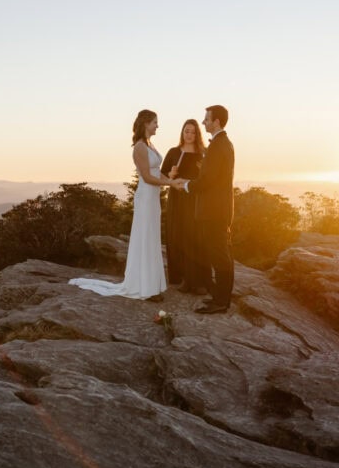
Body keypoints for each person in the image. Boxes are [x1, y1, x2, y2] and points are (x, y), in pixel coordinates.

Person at [69, 109, 180, 300]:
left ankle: (152, 284)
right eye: (155, 122)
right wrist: (169, 183)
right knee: (145, 237)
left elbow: (156, 173)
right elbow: (146, 177)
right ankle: (144, 287)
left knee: (152, 237)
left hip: (153, 197)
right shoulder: (139, 147)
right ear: (146, 123)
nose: (157, 126)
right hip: (146, 196)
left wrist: (172, 181)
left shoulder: (150, 144)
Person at [176, 105, 234, 314]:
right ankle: (219, 298)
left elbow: (208, 180)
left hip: (214, 211)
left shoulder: (220, 145)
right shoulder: (220, 144)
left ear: (216, 121)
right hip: (215, 209)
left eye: (207, 119)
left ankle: (221, 302)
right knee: (218, 254)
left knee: (220, 256)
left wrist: (186, 185)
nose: (203, 122)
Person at [161, 119, 210, 294]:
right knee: (179, 234)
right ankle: (182, 278)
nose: (189, 135)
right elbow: (163, 175)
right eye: (186, 131)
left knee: (196, 237)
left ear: (197, 134)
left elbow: (207, 178)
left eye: (193, 132)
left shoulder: (204, 153)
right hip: (177, 197)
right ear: (182, 132)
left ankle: (198, 280)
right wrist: (171, 175)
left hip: (195, 198)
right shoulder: (174, 152)